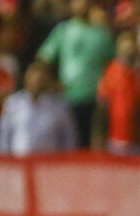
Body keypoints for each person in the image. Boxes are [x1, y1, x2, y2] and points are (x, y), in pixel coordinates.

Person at [37, 0, 114, 147]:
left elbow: (112, 64)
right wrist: (52, 83)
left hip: (94, 99)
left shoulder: (101, 33)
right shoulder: (63, 30)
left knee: (89, 146)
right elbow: (43, 58)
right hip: (66, 98)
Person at [0, 61, 77, 156]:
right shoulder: (14, 103)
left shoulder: (59, 105)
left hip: (48, 161)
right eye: (33, 78)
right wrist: (4, 159)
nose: (37, 82)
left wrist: (65, 160)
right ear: (26, 79)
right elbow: (4, 134)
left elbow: (68, 137)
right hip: (20, 160)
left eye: (41, 78)